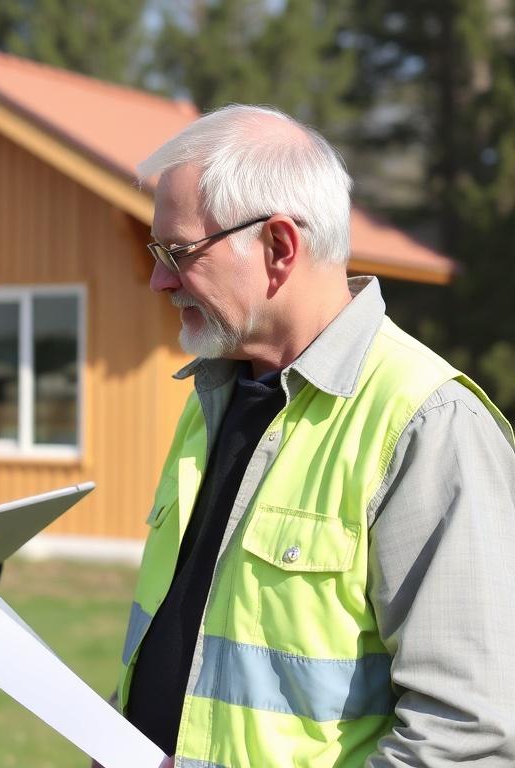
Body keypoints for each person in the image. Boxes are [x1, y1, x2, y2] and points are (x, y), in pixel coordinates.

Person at [114, 105, 515, 766]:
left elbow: (466, 734)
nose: (159, 279)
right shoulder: (213, 395)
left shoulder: (429, 424)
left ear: (278, 247)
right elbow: (182, 633)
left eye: (177, 253)